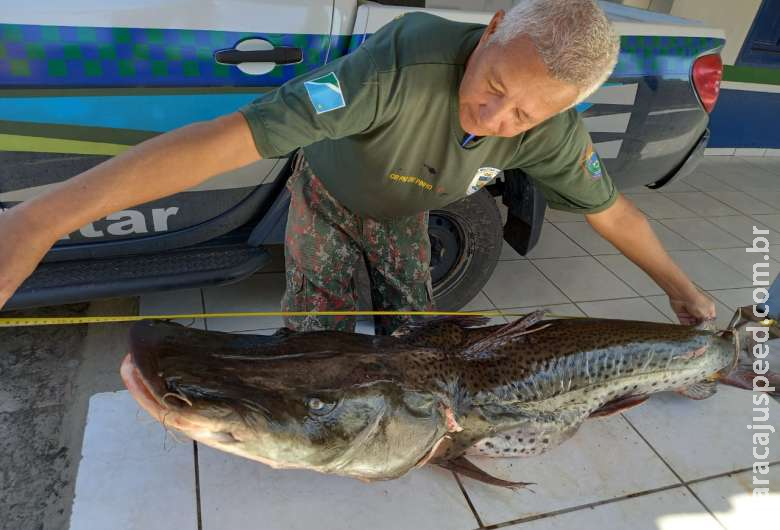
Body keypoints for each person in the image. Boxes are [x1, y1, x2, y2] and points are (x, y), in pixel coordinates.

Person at [0, 0, 715, 332]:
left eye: (524, 116)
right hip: (328, 191)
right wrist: (41, 218)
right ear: (494, 26)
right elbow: (229, 138)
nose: (495, 121)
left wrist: (683, 291)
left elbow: (614, 213)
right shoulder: (394, 64)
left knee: (410, 331)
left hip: (407, 211)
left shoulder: (555, 134)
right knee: (315, 337)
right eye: (493, 88)